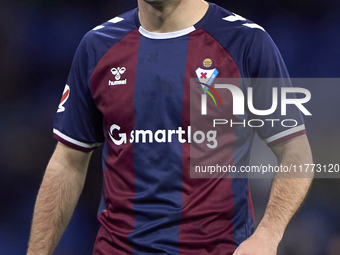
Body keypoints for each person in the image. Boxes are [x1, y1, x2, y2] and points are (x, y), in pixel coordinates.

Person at [27, 0, 313, 254]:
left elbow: (296, 152)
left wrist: (267, 235)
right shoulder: (97, 46)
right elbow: (68, 161)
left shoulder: (246, 42)